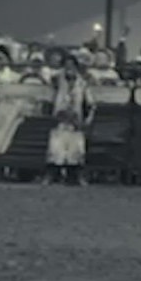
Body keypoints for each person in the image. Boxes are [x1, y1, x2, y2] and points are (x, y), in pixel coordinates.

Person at [44, 52, 96, 186]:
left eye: (72, 65)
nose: (69, 68)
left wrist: (86, 120)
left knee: (76, 149)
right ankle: (52, 174)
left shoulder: (83, 83)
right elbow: (48, 99)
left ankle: (75, 175)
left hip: (76, 120)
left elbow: (90, 103)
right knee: (55, 148)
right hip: (59, 119)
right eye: (66, 65)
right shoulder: (55, 81)